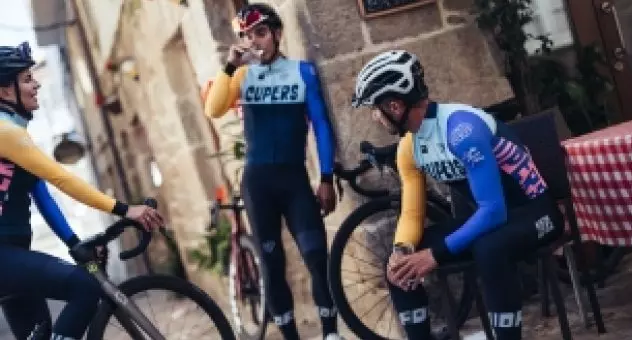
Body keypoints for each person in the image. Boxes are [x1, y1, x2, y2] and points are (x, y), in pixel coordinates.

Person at [351, 50, 564, 340]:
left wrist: (435, 255)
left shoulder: (462, 130)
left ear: (395, 105)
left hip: (536, 213)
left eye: (375, 109)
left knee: (490, 249)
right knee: (400, 267)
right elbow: (413, 212)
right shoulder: (409, 147)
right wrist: (403, 249)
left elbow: (493, 210)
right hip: (492, 221)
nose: (375, 117)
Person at [0, 41, 164, 340]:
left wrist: (74, 243)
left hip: (12, 254)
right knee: (85, 286)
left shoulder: (14, 134)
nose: (36, 84)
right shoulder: (5, 132)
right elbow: (63, 178)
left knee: (40, 332)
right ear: (4, 91)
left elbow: (42, 195)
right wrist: (126, 209)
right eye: (26, 79)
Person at [203, 3, 341, 340]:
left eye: (261, 33)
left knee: (316, 256)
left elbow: (322, 126)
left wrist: (326, 177)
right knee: (272, 264)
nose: (255, 41)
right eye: (248, 36)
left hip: (294, 179)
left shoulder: (302, 71)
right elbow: (213, 108)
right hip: (258, 183)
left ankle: (331, 332)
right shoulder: (242, 76)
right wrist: (230, 65)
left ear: (277, 34)